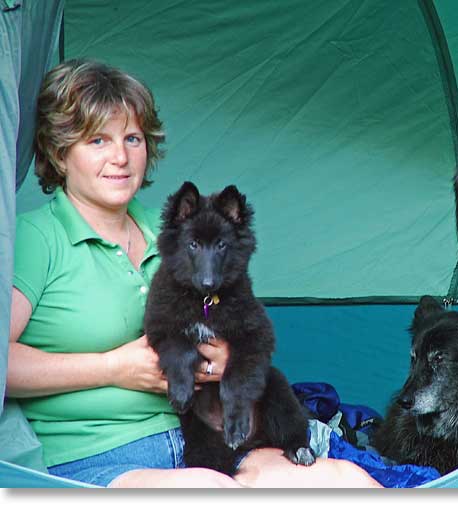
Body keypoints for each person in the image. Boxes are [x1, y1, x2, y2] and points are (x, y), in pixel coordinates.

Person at [7, 58, 381, 489]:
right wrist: (111, 367)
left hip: (204, 438)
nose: (121, 157)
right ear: (59, 150)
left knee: (347, 482)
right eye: (97, 140)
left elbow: (239, 325)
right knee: (212, 492)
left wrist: (224, 361)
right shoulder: (34, 240)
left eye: (133, 138)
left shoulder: (177, 232)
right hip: (97, 458)